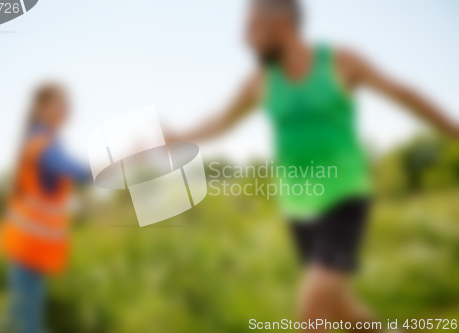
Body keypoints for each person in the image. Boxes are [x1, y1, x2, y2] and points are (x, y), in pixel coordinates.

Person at [168, 0, 459, 331]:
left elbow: (402, 93)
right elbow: (220, 121)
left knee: (312, 312)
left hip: (343, 196)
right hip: (299, 209)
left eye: (252, 29)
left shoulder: (340, 62)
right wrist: (175, 136)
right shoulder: (261, 81)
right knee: (340, 309)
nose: (245, 39)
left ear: (279, 24)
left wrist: (453, 130)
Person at [0, 84, 91, 333]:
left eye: (66, 105)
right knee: (28, 323)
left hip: (29, 248)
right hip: (28, 248)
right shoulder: (43, 145)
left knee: (16, 315)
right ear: (40, 108)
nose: (65, 110)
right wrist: (125, 157)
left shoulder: (42, 141)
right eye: (58, 104)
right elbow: (80, 172)